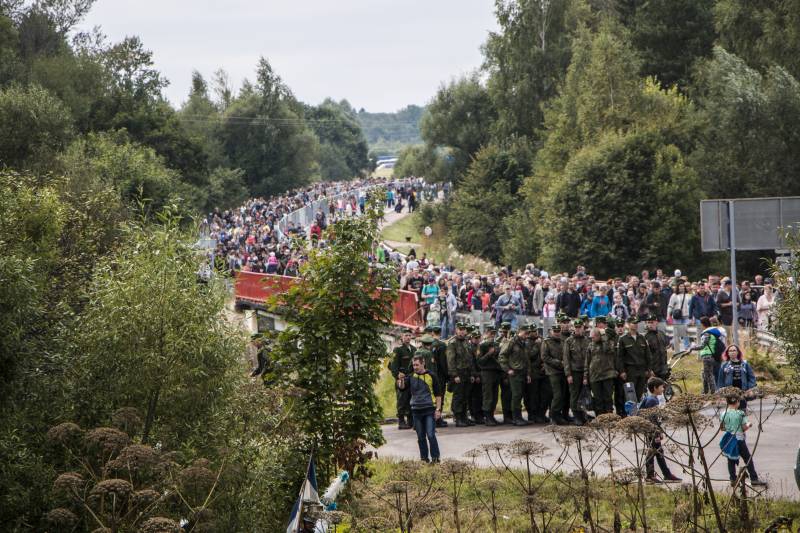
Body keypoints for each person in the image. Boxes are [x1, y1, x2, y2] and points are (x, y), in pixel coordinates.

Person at [397, 355, 444, 463]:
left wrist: (438, 410)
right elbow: (402, 388)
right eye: (413, 365)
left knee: (431, 435)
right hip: (416, 410)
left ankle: (436, 459)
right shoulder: (411, 376)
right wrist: (401, 379)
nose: (415, 367)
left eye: (417, 365)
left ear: (423, 364)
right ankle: (424, 459)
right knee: (420, 437)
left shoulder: (432, 376)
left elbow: (438, 394)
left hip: (429, 410)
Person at [640, 377, 681, 484]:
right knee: (652, 452)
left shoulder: (650, 398)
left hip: (650, 430)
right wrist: (657, 433)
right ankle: (650, 476)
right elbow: (652, 419)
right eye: (662, 387)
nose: (663, 389)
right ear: (655, 388)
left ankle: (666, 474)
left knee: (658, 452)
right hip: (651, 431)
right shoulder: (652, 400)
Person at [720, 395, 767, 487]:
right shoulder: (740, 413)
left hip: (729, 439)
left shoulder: (723, 413)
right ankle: (754, 478)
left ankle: (733, 479)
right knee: (748, 458)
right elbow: (743, 427)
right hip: (739, 439)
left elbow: (722, 428)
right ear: (737, 401)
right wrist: (749, 424)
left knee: (731, 460)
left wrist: (730, 429)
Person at [498, 326, 531, 425]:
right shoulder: (511, 342)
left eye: (527, 333)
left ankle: (519, 417)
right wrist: (508, 370)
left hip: (523, 372)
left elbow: (526, 359)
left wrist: (528, 373)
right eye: (525, 333)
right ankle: (516, 418)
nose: (526, 335)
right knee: (516, 395)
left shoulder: (523, 343)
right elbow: (502, 356)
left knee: (520, 395)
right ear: (519, 332)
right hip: (515, 373)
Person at [617, 317, 652, 402]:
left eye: (637, 323)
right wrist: (622, 371)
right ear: (628, 324)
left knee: (639, 393)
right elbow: (620, 357)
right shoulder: (623, 339)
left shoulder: (642, 338)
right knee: (630, 395)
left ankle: (637, 413)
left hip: (642, 370)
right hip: (630, 370)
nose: (636, 325)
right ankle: (630, 414)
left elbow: (648, 355)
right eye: (633, 323)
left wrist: (648, 369)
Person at [585, 327, 617, 415]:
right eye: (591, 337)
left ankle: (609, 416)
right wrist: (585, 376)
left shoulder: (609, 343)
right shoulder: (590, 345)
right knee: (598, 398)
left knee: (608, 398)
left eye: (593, 337)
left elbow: (607, 349)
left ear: (599, 336)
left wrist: (604, 337)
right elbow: (587, 362)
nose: (592, 339)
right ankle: (599, 417)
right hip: (594, 376)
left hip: (607, 374)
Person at [563, 319, 590, 425]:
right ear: (574, 328)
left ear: (583, 328)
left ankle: (583, 414)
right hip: (574, 372)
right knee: (574, 395)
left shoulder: (587, 340)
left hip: (585, 372)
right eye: (577, 327)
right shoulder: (569, 341)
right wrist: (568, 374)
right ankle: (576, 417)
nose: (578, 329)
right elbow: (566, 359)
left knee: (583, 395)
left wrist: (587, 374)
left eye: (580, 327)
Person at [446, 323, 474, 427]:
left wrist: (471, 373)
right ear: (456, 330)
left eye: (464, 330)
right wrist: (454, 375)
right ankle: (458, 418)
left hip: (467, 372)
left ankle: (464, 417)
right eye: (460, 329)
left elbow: (470, 359)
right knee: (458, 396)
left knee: (466, 396)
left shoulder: (466, 341)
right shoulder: (452, 343)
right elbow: (450, 360)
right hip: (458, 373)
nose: (462, 331)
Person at [542, 325, 570, 425]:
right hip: (553, 372)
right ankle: (553, 416)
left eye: (558, 330)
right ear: (551, 331)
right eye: (555, 331)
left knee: (562, 395)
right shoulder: (547, 342)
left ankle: (558, 415)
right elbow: (545, 357)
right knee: (557, 395)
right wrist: (558, 363)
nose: (557, 332)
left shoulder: (563, 341)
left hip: (563, 371)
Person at [389, 329, 416, 429]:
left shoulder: (414, 349)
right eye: (406, 335)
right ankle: (401, 421)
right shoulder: (398, 350)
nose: (408, 337)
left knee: (411, 399)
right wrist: (397, 375)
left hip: (411, 378)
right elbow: (392, 365)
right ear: (402, 337)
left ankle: (410, 420)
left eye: (409, 335)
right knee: (401, 400)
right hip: (402, 379)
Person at [476, 326, 502, 425]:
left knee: (495, 396)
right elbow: (479, 362)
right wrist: (489, 354)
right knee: (488, 395)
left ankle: (491, 415)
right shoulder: (482, 345)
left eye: (494, 333)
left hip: (496, 372)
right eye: (491, 333)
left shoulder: (496, 344)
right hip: (486, 372)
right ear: (486, 333)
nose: (492, 335)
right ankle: (487, 417)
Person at [717, 345, 757, 409]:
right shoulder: (724, 365)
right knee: (732, 411)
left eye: (734, 350)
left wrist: (750, 388)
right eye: (730, 351)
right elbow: (720, 380)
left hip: (743, 391)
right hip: (730, 392)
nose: (732, 352)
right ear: (728, 353)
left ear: (738, 352)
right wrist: (720, 393)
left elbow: (752, 377)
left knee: (742, 411)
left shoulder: (745, 364)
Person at [691, 316, 723, 394]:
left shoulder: (707, 333)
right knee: (705, 374)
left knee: (709, 376)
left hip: (707, 356)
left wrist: (692, 348)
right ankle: (705, 392)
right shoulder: (714, 332)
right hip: (713, 356)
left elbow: (703, 346)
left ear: (703, 324)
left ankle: (713, 393)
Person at [667, 281, 691, 351]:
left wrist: (692, 316)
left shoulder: (688, 295)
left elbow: (691, 306)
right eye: (680, 286)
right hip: (677, 316)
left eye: (683, 286)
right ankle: (674, 343)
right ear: (677, 287)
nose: (682, 287)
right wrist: (668, 315)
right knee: (677, 332)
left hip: (686, 316)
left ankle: (686, 346)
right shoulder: (674, 295)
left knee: (685, 330)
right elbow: (670, 306)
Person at [644, 315, 669, 381]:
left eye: (652, 322)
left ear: (656, 322)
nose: (650, 324)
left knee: (663, 389)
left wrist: (666, 366)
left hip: (663, 368)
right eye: (648, 322)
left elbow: (664, 351)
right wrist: (649, 370)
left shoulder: (661, 334)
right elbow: (644, 356)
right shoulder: (645, 337)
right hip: (653, 370)